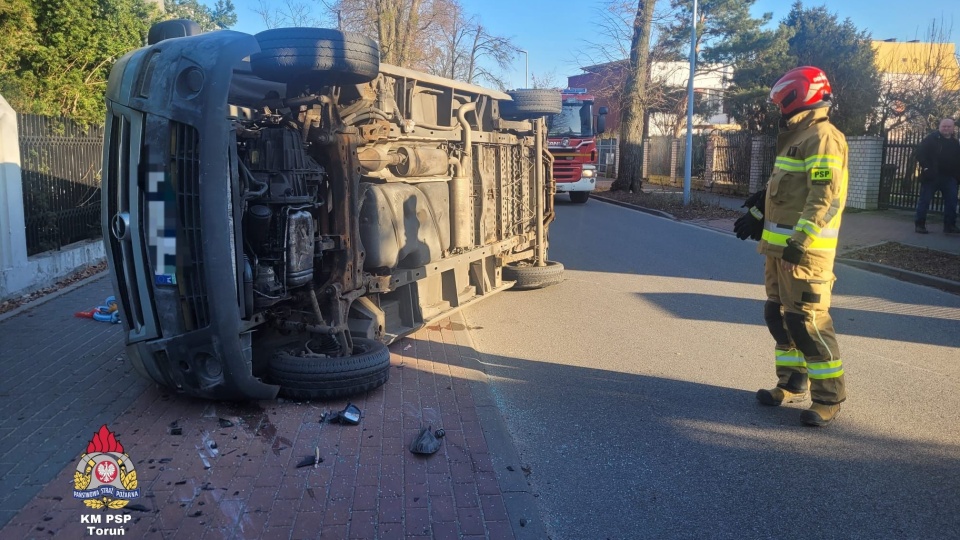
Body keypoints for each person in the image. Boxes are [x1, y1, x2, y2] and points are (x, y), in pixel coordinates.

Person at [738, 66, 848, 426]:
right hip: (778, 253)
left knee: (807, 323)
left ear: (797, 98)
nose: (778, 110)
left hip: (804, 254)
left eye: (781, 103)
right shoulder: (797, 137)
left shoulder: (823, 137)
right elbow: (784, 192)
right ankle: (790, 383)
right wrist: (757, 212)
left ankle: (828, 398)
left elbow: (824, 197)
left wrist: (799, 243)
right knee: (778, 317)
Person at [914, 118, 960, 234]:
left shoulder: (955, 143)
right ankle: (920, 225)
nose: (946, 128)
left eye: (949, 126)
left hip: (949, 178)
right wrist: (926, 167)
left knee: (952, 202)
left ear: (953, 128)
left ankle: (949, 226)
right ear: (939, 127)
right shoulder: (931, 139)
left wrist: (957, 176)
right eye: (944, 126)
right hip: (932, 176)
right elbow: (919, 152)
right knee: (925, 201)